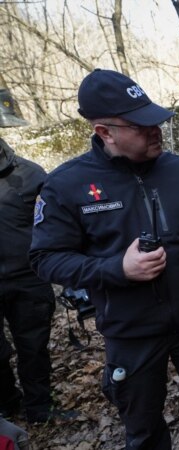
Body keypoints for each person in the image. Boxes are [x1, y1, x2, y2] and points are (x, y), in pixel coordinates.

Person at [29, 69, 179, 449]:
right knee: (144, 432)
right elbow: (46, 259)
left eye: (155, 120)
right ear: (105, 132)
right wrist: (118, 269)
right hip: (130, 334)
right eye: (141, 125)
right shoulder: (66, 185)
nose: (155, 130)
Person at [0, 91, 74, 424]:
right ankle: (7, 402)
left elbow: (58, 224)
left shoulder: (30, 175)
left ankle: (39, 409)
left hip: (28, 279)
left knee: (33, 348)